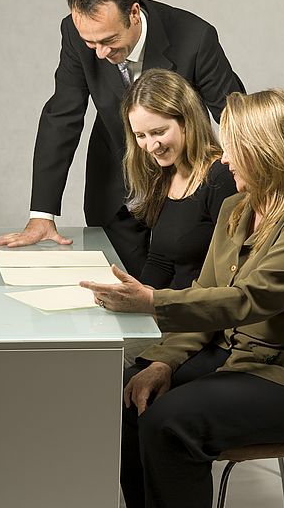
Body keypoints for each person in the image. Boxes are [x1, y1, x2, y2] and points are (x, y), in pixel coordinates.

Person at [80, 88, 284, 508]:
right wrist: (163, 361)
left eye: (235, 150)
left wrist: (152, 301)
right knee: (129, 395)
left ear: (266, 152)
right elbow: (205, 295)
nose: (224, 159)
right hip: (242, 359)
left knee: (170, 423)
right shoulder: (237, 208)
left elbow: (247, 301)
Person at [0, 0, 244, 277]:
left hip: (186, 188)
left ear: (134, 13)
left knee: (181, 294)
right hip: (117, 185)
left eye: (109, 40)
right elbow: (62, 116)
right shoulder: (76, 33)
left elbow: (237, 117)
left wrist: (262, 185)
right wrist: (42, 214)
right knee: (125, 295)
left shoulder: (195, 36)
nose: (100, 53)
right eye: (91, 43)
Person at [120, 68, 237, 365]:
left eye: (159, 132)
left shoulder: (221, 178)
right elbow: (160, 261)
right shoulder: (164, 175)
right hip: (170, 317)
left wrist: (155, 306)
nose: (150, 146)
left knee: (115, 374)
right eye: (140, 136)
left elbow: (228, 279)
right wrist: (133, 298)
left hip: (204, 328)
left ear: (187, 122)